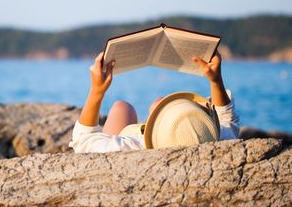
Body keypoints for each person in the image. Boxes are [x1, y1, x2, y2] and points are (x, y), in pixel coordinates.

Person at [69, 51, 240, 153]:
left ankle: (155, 114)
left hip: (137, 137)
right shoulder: (215, 138)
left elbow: (83, 140)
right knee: (158, 102)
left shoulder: (132, 146)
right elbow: (226, 118)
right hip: (166, 138)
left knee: (121, 107)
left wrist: (96, 91)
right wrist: (216, 81)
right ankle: (158, 111)